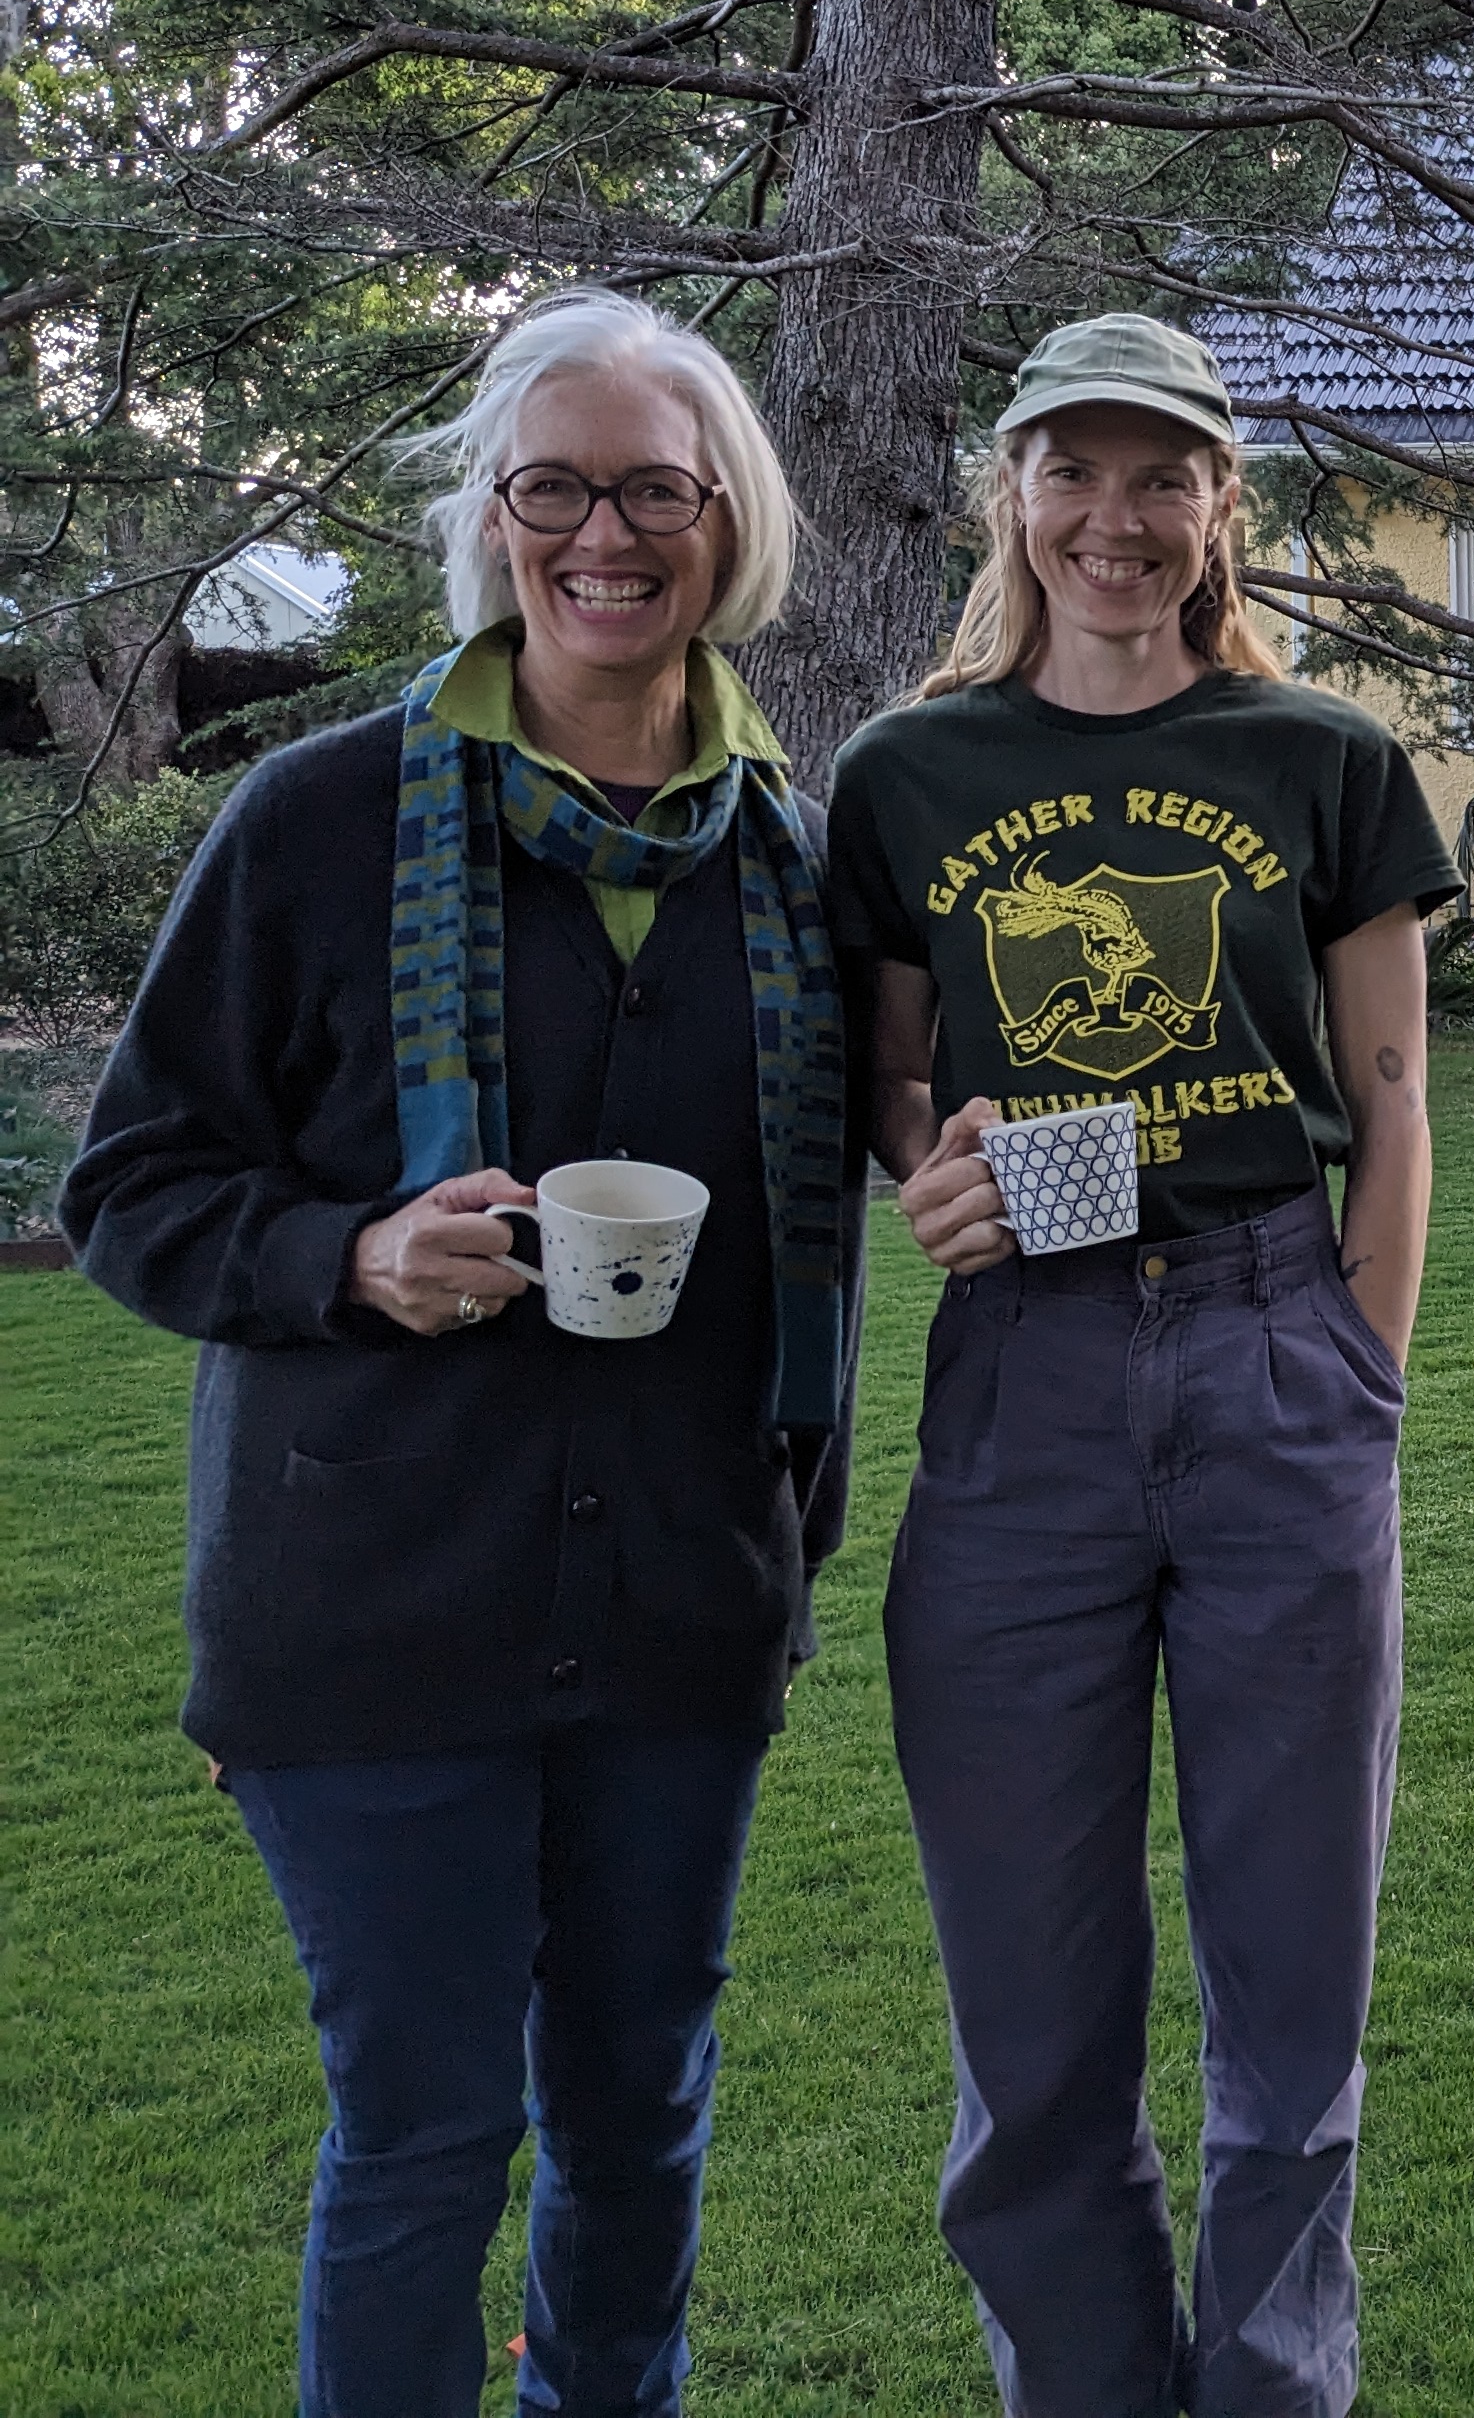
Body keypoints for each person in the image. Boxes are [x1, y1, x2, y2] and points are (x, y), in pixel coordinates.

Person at [63, 291, 857, 2417]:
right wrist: (350, 1252)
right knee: (422, 2138)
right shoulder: (319, 822)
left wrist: (787, 1543)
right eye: (555, 489)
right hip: (371, 1601)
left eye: (658, 490)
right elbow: (128, 1187)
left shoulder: (796, 858)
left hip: (679, 1596)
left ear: (730, 521)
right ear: (494, 522)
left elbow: (846, 1211)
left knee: (637, 2126)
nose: (608, 535)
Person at [825, 313, 1456, 2417]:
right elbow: (895, 1078)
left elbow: (1394, 1100)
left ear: (1217, 507)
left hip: (1277, 1353)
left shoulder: (1323, 760)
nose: (1117, 517)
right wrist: (934, 1174)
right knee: (1031, 2015)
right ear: (1010, 496)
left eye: (1161, 475)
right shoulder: (908, 774)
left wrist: (1359, 1370)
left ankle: (1273, 2390)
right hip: (1032, 1379)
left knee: (1295, 1994)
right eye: (1073, 471)